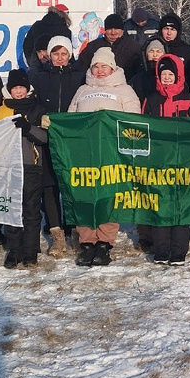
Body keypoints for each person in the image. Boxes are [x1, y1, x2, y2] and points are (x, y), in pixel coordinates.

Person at [68, 48, 141, 267]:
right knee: (85, 194)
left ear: (112, 68)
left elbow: (133, 120)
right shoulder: (82, 90)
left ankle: (104, 242)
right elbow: (71, 118)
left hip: (111, 151)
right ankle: (87, 241)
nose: (100, 71)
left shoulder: (124, 90)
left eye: (104, 66)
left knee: (108, 195)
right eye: (96, 66)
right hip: (85, 152)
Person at [138, 54, 190, 265]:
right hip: (158, 160)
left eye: (170, 74)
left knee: (180, 204)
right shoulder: (150, 99)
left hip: (182, 160)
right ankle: (162, 248)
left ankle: (179, 250)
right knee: (160, 203)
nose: (166, 77)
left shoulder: (189, 100)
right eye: (163, 74)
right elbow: (144, 128)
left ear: (178, 76)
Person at [29, 35, 84, 256]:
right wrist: (39, 116)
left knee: (72, 184)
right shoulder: (39, 78)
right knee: (49, 186)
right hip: (48, 137)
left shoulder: (80, 77)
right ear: (49, 55)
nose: (60, 58)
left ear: (70, 55)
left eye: (64, 54)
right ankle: (57, 235)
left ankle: (76, 231)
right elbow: (31, 103)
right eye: (55, 53)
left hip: (72, 139)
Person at [0, 69, 50, 270]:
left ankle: (30, 251)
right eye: (15, 88)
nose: (18, 91)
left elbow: (45, 137)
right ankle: (14, 251)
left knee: (31, 211)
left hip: (31, 166)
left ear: (28, 89)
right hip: (8, 167)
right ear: (9, 90)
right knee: (12, 211)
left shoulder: (38, 109)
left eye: (21, 88)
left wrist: (28, 128)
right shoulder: (0, 111)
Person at [78, 13, 140, 78]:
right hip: (98, 83)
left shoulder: (133, 47)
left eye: (116, 29)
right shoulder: (93, 46)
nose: (113, 32)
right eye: (110, 29)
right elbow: (81, 67)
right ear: (105, 30)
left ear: (122, 30)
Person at [158, 12, 190, 89]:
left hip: (181, 94)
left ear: (178, 31)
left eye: (172, 29)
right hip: (156, 94)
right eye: (166, 29)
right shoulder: (154, 49)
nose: (169, 33)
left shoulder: (188, 52)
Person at [22, 4, 72, 69]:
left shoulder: (37, 25)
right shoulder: (65, 31)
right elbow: (67, 51)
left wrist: (31, 61)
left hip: (37, 66)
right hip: (56, 67)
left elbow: (27, 45)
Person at [130, 37, 168, 101]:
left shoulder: (169, 77)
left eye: (158, 51)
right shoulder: (137, 79)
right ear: (146, 54)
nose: (155, 55)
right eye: (151, 51)